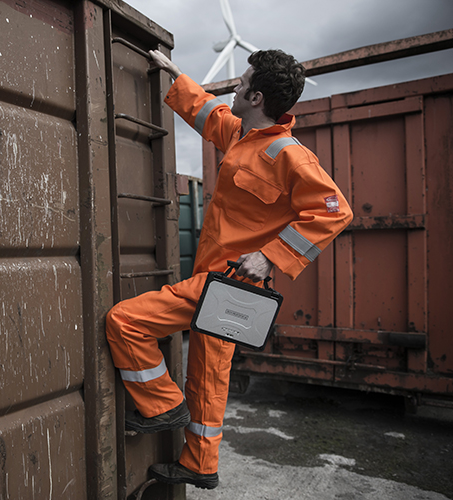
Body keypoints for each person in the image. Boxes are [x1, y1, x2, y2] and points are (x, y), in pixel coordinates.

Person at [105, 49, 353, 489]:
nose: (234, 87)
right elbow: (206, 110)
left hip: (231, 281)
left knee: (125, 322)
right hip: (220, 281)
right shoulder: (241, 134)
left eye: (241, 83)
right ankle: (200, 463)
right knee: (209, 373)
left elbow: (334, 211)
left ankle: (161, 403)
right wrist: (175, 74)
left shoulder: (289, 155)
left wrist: (270, 256)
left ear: (256, 97)